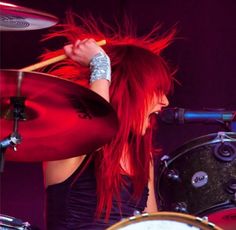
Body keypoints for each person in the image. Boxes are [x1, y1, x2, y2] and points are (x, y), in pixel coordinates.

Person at [42, 15, 175, 229]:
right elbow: (97, 127)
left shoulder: (143, 157)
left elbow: (151, 224)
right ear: (129, 91)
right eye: (156, 91)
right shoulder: (71, 143)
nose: (165, 101)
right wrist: (100, 64)